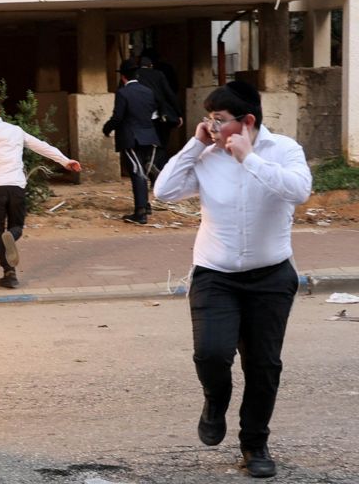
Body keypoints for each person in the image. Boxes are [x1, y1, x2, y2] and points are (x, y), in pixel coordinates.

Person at [153, 81, 310, 479]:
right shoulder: (206, 156)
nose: (211, 127)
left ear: (247, 122)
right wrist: (193, 145)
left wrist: (250, 159)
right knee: (212, 353)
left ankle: (254, 444)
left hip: (271, 277)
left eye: (218, 121)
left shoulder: (284, 150)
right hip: (214, 275)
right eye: (208, 119)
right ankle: (214, 399)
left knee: (263, 366)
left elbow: (300, 191)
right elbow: (164, 191)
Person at [0, 98, 80, 288]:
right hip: (17, 187)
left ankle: (9, 273)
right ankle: (11, 235)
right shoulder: (16, 131)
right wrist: (65, 161)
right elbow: (41, 146)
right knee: (17, 226)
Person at [103, 58, 161, 225]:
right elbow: (151, 112)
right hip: (148, 136)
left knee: (137, 173)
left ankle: (140, 212)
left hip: (131, 138)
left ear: (123, 77)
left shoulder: (123, 93)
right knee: (142, 170)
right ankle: (146, 205)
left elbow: (118, 117)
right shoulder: (148, 91)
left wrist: (107, 128)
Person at [137, 55, 183, 173]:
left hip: (139, 117)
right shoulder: (158, 74)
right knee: (161, 144)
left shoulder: (135, 75)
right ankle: (153, 164)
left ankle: (146, 170)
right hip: (158, 116)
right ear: (151, 65)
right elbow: (169, 94)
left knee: (143, 147)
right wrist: (178, 113)